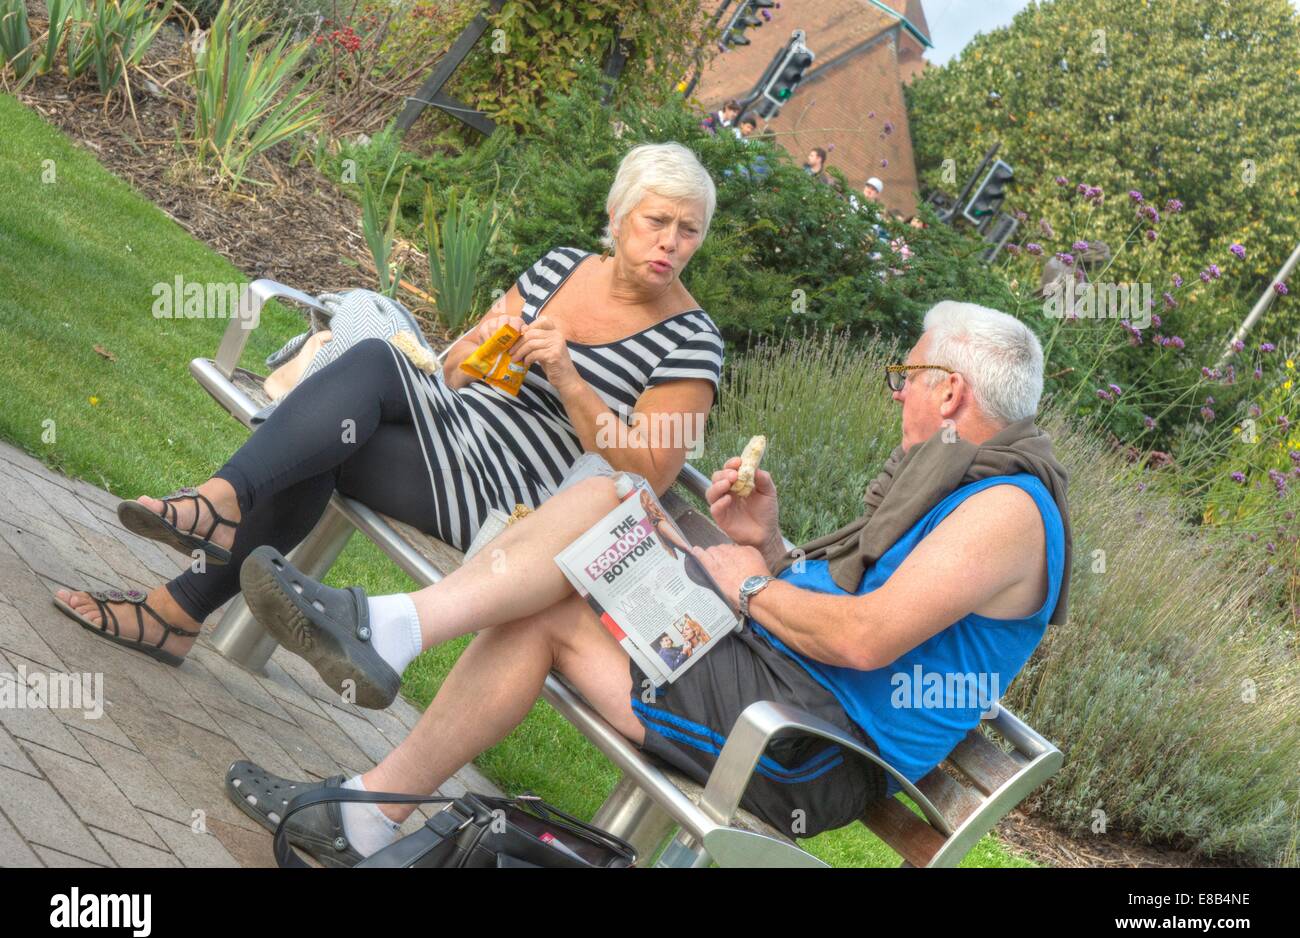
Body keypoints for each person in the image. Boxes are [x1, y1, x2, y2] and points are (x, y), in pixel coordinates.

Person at [224, 300, 1073, 864]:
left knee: (600, 519)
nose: (900, 400)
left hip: (799, 748)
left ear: (949, 389)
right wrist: (765, 545)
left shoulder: (1008, 510)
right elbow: (840, 615)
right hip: (775, 690)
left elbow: (862, 639)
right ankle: (369, 797)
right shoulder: (964, 483)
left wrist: (744, 586)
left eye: (906, 379)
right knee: (609, 510)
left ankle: (385, 666)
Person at [51, 142, 725, 667]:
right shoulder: (562, 267)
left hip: (519, 500)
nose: (670, 241)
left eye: (687, 230)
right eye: (656, 220)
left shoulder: (694, 343)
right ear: (617, 216)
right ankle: (184, 590)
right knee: (345, 415)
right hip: (458, 427)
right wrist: (480, 345)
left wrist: (571, 379)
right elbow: (456, 370)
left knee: (353, 397)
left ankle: (205, 534)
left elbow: (648, 476)